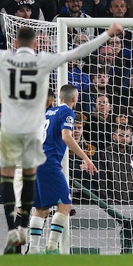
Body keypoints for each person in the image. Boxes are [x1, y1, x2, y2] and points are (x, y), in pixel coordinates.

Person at [0, 22, 122, 254]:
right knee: (62, 204)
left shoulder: (6, 58)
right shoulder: (43, 62)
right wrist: (108, 33)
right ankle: (49, 246)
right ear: (35, 45)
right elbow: (78, 52)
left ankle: (30, 247)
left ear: (14, 44)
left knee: (38, 205)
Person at [28, 84, 97, 254]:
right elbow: (66, 137)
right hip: (48, 162)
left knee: (41, 208)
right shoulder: (67, 112)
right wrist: (86, 158)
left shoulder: (48, 112)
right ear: (75, 98)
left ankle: (33, 251)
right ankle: (51, 248)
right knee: (65, 205)